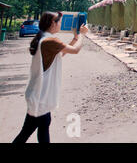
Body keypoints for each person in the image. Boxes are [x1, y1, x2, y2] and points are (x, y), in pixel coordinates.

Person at [12, 11, 89, 143]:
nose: (60, 24)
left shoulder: (44, 39)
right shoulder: (50, 41)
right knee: (30, 131)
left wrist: (75, 38)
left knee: (39, 128)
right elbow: (75, 50)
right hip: (40, 97)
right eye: (58, 21)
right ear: (52, 24)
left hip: (39, 95)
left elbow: (58, 55)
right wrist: (82, 35)